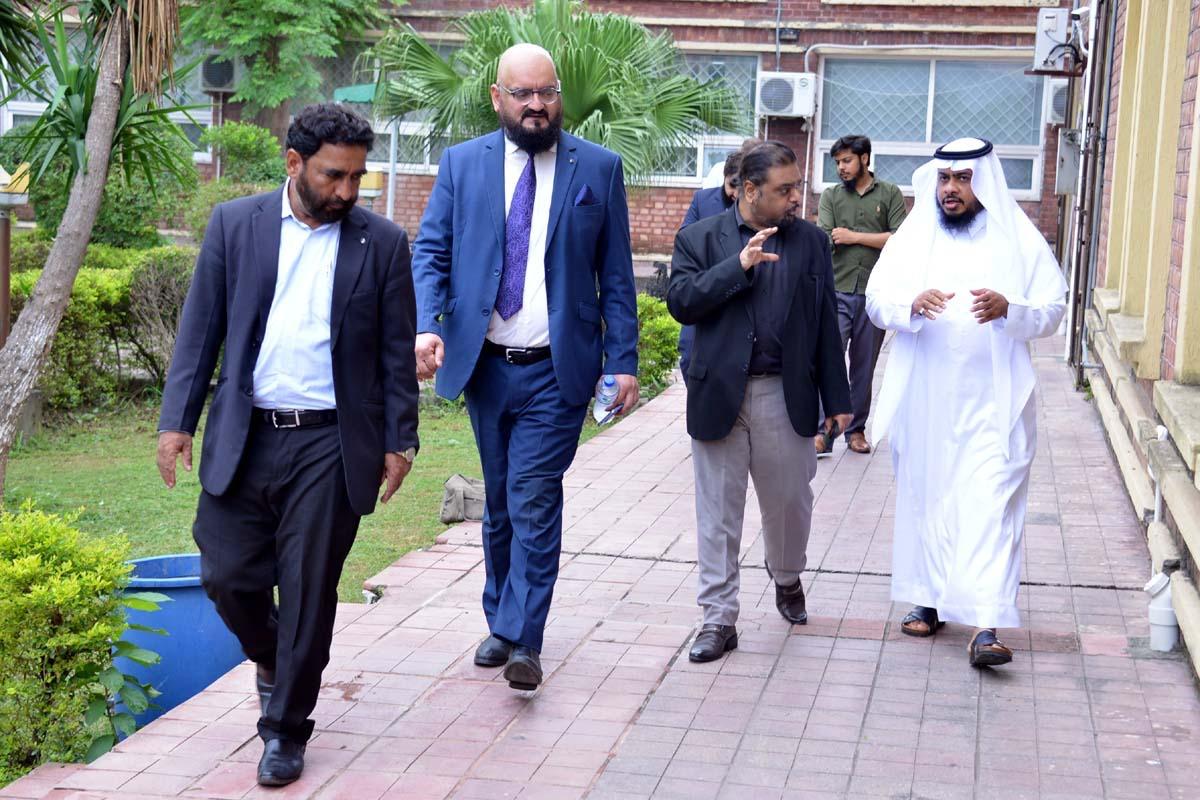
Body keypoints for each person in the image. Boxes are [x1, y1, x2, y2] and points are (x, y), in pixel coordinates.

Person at [156, 104, 419, 785]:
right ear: (294, 163)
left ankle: (284, 730)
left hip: (330, 442)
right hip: (246, 435)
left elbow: (396, 353)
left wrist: (401, 440)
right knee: (226, 575)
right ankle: (276, 654)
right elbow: (201, 330)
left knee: (308, 588)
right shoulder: (235, 225)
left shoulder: (382, 243)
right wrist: (176, 421)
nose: (347, 191)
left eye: (357, 178)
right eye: (334, 175)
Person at [411, 43, 639, 691]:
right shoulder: (462, 164)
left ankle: (525, 639)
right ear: (498, 97)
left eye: (547, 92)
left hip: (556, 369)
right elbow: (431, 251)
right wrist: (428, 324)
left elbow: (616, 275)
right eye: (523, 94)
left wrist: (622, 360)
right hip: (485, 365)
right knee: (501, 502)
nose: (537, 105)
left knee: (533, 496)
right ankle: (501, 621)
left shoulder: (598, 167)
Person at [865, 137, 1066, 667]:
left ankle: (986, 625)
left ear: (985, 182)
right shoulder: (914, 236)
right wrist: (909, 305)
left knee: (991, 503)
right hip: (925, 399)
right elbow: (876, 300)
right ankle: (929, 601)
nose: (950, 189)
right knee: (929, 500)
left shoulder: (1018, 238)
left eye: (962, 179)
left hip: (994, 402)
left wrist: (1010, 309)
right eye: (944, 179)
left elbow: (1053, 307)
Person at [667, 141, 851, 663]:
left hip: (784, 392)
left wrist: (837, 398)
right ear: (749, 191)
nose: (796, 198)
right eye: (784, 189)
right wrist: (738, 267)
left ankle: (787, 575)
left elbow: (824, 320)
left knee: (790, 503)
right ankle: (718, 618)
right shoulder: (700, 237)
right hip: (719, 393)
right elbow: (681, 302)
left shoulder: (811, 242)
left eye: (797, 187)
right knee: (718, 514)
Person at [816, 134, 907, 456]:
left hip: (875, 294)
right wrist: (875, 238)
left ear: (865, 158)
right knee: (829, 361)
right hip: (837, 291)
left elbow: (900, 240)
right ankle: (822, 431)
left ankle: (855, 431)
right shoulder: (830, 196)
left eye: (847, 161)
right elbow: (827, 237)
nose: (841, 167)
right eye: (837, 162)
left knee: (863, 368)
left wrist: (853, 236)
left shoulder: (890, 193)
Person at [677, 145, 750, 373]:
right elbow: (685, 237)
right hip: (703, 285)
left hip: (738, 291)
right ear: (724, 177)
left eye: (740, 187)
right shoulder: (703, 200)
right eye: (731, 185)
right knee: (688, 357)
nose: (735, 193)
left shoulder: (756, 208)